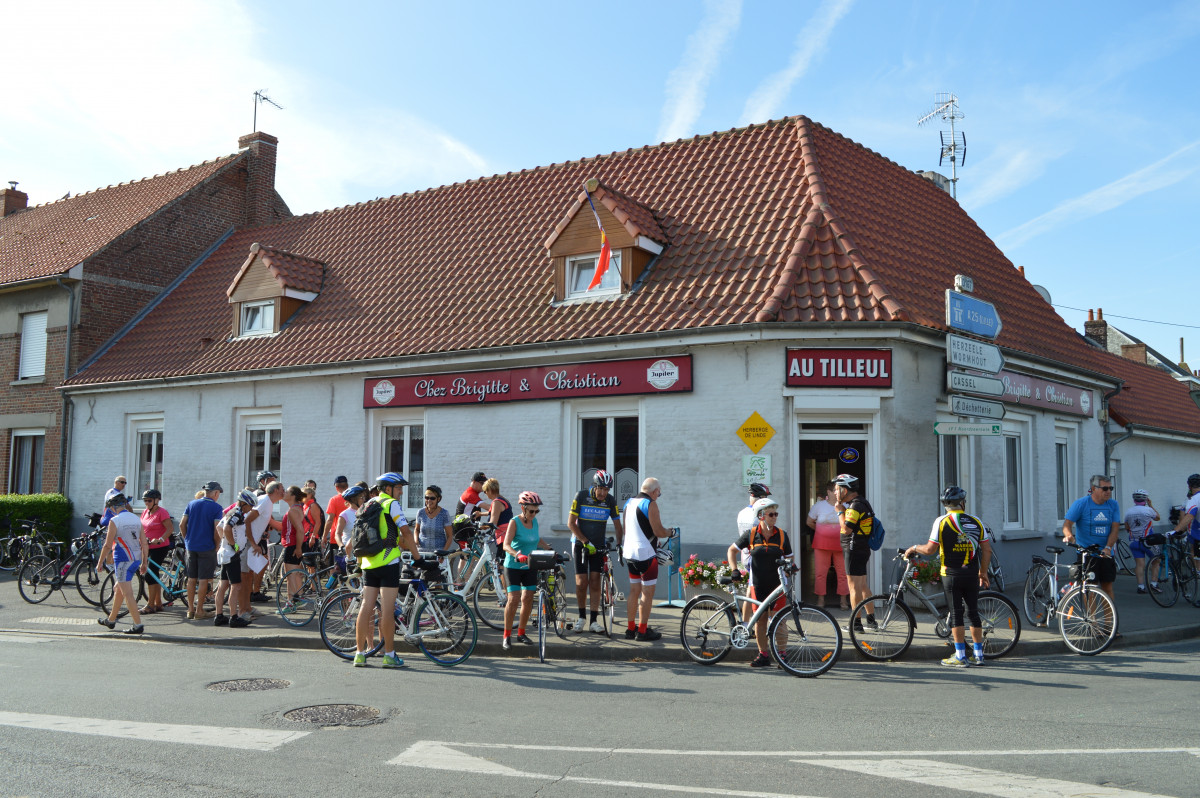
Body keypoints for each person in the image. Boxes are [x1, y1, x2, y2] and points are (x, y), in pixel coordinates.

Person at [905, 486, 992, 667]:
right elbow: (987, 550)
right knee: (973, 613)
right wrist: (982, 572)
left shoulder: (941, 521)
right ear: (962, 503)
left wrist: (913, 548)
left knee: (956, 614)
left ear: (946, 505)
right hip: (971, 574)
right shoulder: (976, 521)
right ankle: (979, 655)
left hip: (950, 574)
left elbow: (930, 550)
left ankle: (960, 655)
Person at [353, 472, 419, 668]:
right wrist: (418, 557)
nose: (400, 492)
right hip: (388, 562)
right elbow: (405, 532)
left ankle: (359, 654)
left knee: (366, 607)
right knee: (387, 611)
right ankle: (389, 655)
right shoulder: (391, 504)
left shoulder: (368, 504)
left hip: (368, 563)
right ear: (387, 488)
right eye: (398, 488)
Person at [726, 496, 793, 667]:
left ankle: (782, 655)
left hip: (777, 585)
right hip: (758, 585)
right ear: (761, 515)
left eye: (776, 514)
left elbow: (790, 558)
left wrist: (790, 568)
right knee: (761, 621)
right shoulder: (751, 535)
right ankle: (763, 655)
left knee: (780, 621)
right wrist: (734, 569)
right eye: (771, 514)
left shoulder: (782, 536)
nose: (775, 517)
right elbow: (732, 550)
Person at [621, 477, 674, 641]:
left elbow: (625, 530)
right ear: (654, 491)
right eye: (659, 492)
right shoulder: (650, 504)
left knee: (633, 592)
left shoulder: (628, 503)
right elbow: (658, 531)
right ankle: (642, 631)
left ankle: (630, 629)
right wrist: (670, 532)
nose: (659, 495)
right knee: (647, 594)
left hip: (629, 553)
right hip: (645, 554)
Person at [568, 470, 621, 633]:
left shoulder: (610, 501)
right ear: (594, 486)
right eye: (601, 489)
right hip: (581, 544)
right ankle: (581, 617)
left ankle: (593, 621)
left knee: (596, 581)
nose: (603, 493)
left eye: (607, 490)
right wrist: (585, 541)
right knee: (581, 582)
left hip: (599, 546)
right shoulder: (581, 496)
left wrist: (620, 544)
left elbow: (618, 524)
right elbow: (571, 523)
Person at [501, 491, 551, 650]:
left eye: (537, 511)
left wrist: (548, 547)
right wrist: (517, 554)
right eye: (531, 511)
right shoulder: (514, 522)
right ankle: (507, 635)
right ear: (523, 508)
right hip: (513, 566)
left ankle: (521, 633)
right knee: (513, 599)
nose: (534, 514)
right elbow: (505, 545)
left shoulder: (534, 522)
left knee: (528, 598)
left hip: (530, 566)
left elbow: (536, 538)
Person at [97, 493, 148, 634]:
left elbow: (107, 545)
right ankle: (111, 620)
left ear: (113, 507)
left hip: (123, 560)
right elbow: (144, 542)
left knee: (128, 593)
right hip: (135, 559)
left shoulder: (115, 520)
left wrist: (100, 562)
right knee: (118, 589)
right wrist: (145, 562)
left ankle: (138, 625)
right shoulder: (136, 519)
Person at [1063, 474, 1120, 601]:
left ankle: (1110, 620)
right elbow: (1067, 524)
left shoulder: (1113, 505)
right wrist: (1069, 536)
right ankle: (1091, 620)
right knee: (1090, 588)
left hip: (1105, 552)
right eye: (1105, 489)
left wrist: (1108, 547)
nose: (1109, 492)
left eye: (1111, 488)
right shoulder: (1081, 504)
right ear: (1094, 489)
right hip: (1087, 553)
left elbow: (1115, 529)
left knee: (1107, 586)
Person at [834, 473, 875, 631]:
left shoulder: (854, 506)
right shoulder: (862, 502)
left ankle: (856, 624)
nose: (836, 492)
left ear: (845, 490)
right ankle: (871, 620)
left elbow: (846, 529)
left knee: (854, 588)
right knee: (863, 585)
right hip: (862, 548)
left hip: (854, 549)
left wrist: (839, 511)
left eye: (837, 489)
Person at [179, 481, 223, 620]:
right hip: (206, 546)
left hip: (191, 546)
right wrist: (217, 545)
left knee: (191, 578)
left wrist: (187, 540)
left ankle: (190, 609)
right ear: (215, 493)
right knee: (204, 579)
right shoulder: (216, 507)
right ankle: (199, 611)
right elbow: (217, 529)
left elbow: (181, 524)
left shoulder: (192, 504)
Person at [213, 490, 256, 628]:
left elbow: (219, 527)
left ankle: (219, 615)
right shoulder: (237, 514)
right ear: (244, 503)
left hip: (225, 553)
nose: (251, 509)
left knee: (223, 585)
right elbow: (226, 528)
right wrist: (234, 545)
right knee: (236, 586)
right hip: (232, 555)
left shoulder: (231, 512)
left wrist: (225, 542)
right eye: (250, 505)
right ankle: (233, 617)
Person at [807, 480, 848, 610]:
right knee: (820, 573)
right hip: (821, 544)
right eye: (835, 491)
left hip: (841, 544)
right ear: (829, 492)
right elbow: (809, 522)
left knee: (842, 573)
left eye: (839, 491)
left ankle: (843, 600)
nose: (837, 493)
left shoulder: (846, 505)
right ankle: (820, 599)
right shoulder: (818, 506)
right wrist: (821, 531)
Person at [139, 488, 174, 614]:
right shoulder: (145, 512)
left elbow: (170, 528)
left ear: (156, 500)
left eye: (149, 500)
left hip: (160, 547)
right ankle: (158, 603)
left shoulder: (162, 512)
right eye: (145, 501)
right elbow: (142, 528)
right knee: (153, 575)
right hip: (147, 546)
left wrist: (160, 539)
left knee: (150, 574)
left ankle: (150, 605)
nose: (147, 503)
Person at [247, 480, 282, 604]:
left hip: (255, 539)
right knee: (252, 567)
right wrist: (252, 542)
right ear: (276, 490)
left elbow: (270, 522)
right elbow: (247, 520)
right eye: (282, 489)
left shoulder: (269, 502)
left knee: (259, 564)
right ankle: (251, 595)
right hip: (248, 541)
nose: (284, 492)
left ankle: (252, 593)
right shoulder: (264, 501)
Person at [1125, 488, 1161, 594]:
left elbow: (1127, 527)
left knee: (1140, 564)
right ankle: (1154, 584)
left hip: (1134, 542)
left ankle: (1140, 586)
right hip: (1148, 541)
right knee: (1156, 561)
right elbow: (1158, 518)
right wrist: (1151, 505)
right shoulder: (1148, 510)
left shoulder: (1128, 511)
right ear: (1145, 499)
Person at [279, 485, 308, 609]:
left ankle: (290, 603)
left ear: (293, 496)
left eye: (287, 491)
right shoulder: (297, 508)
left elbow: (300, 530)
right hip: (294, 544)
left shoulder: (293, 510)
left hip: (292, 545)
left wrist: (298, 548)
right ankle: (298, 598)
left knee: (290, 575)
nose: (284, 493)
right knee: (295, 574)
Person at [415, 485, 453, 551]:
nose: (429, 500)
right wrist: (416, 541)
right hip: (422, 552)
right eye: (427, 498)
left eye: (432, 498)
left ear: (438, 499)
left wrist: (443, 552)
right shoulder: (420, 512)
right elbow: (417, 529)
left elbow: (449, 536)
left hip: (438, 552)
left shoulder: (444, 513)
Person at [481, 478, 514, 554]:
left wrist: (481, 527)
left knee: (501, 563)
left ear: (490, 490)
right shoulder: (503, 499)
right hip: (508, 534)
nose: (485, 494)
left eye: (485, 491)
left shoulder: (497, 502)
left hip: (503, 536)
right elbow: (496, 513)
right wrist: (480, 514)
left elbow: (493, 523)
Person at [324, 475, 350, 548]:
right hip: (351, 537)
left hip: (337, 538)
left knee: (336, 559)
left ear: (336, 487)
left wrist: (324, 536)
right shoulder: (353, 499)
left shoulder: (334, 500)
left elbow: (330, 520)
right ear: (347, 486)